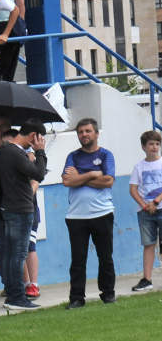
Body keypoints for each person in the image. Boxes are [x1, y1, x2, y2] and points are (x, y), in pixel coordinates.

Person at [59, 118, 117, 307]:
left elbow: (108, 181)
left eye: (87, 131)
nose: (84, 134)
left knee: (105, 257)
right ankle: (76, 298)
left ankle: (108, 293)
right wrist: (93, 174)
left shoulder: (106, 155)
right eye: (80, 132)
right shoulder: (72, 156)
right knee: (78, 260)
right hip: (76, 216)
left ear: (96, 133)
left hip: (102, 213)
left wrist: (80, 177)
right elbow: (67, 181)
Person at [0, 121, 48, 311]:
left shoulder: (5, 151)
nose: (41, 142)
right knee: (18, 255)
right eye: (40, 138)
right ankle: (17, 297)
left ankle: (13, 294)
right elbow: (39, 174)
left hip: (10, 207)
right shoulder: (14, 152)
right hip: (20, 209)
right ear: (34, 136)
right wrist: (40, 152)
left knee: (12, 255)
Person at [127, 129, 162, 292]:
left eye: (157, 144)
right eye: (151, 144)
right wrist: (144, 205)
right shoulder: (139, 167)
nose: (154, 147)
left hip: (159, 207)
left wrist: (156, 201)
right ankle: (147, 279)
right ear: (143, 147)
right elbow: (133, 189)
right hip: (145, 212)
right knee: (148, 244)